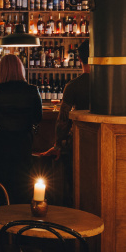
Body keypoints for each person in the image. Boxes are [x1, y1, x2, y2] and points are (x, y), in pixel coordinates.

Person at [0, 54, 42, 204]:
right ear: (21, 69)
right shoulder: (32, 90)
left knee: (0, 183)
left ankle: (0, 214)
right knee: (22, 183)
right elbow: (38, 117)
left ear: (1, 70)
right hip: (23, 143)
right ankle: (20, 214)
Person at [43, 40, 89, 206]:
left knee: (74, 186)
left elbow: (63, 120)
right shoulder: (110, 83)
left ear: (79, 58)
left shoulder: (73, 86)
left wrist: (57, 145)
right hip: (105, 142)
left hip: (79, 143)